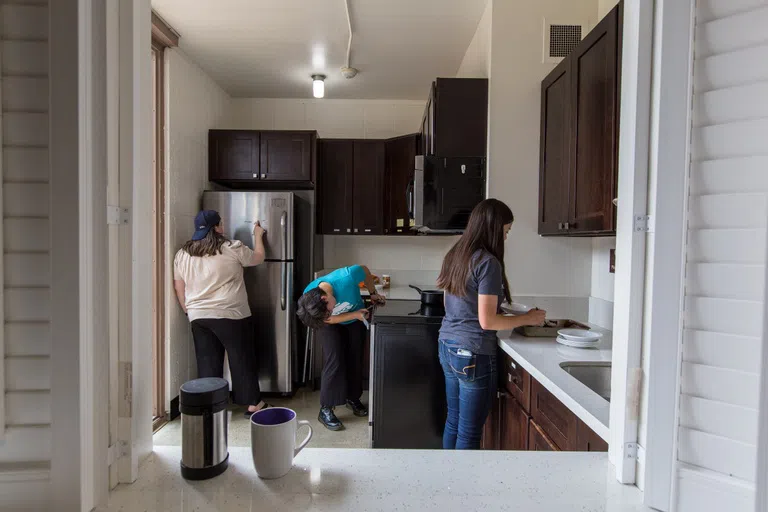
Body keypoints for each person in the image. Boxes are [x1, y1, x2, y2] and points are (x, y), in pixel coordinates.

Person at [436, 199, 547, 449]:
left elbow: (450, 305)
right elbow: (487, 322)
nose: (505, 238)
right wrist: (530, 318)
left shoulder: (455, 255)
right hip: (473, 352)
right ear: (493, 228)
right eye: (505, 231)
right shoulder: (488, 262)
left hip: (447, 345)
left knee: (453, 422)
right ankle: (464, 488)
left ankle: (448, 482)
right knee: (469, 433)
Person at [173, 209, 270, 418]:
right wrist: (258, 236)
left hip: (198, 315)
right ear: (217, 227)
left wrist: (187, 310)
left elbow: (179, 286)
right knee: (241, 358)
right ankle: (253, 404)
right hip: (231, 313)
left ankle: (212, 405)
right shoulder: (231, 247)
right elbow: (258, 258)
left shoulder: (183, 254)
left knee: (207, 360)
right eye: (221, 224)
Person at [297, 265, 385, 431]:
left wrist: (372, 292)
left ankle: (352, 397)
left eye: (329, 310)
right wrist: (353, 314)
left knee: (355, 357)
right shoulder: (310, 298)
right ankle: (326, 409)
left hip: (354, 320)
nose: (330, 312)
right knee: (335, 360)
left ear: (325, 298)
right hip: (338, 323)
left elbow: (365, 271)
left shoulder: (347, 277)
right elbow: (327, 320)